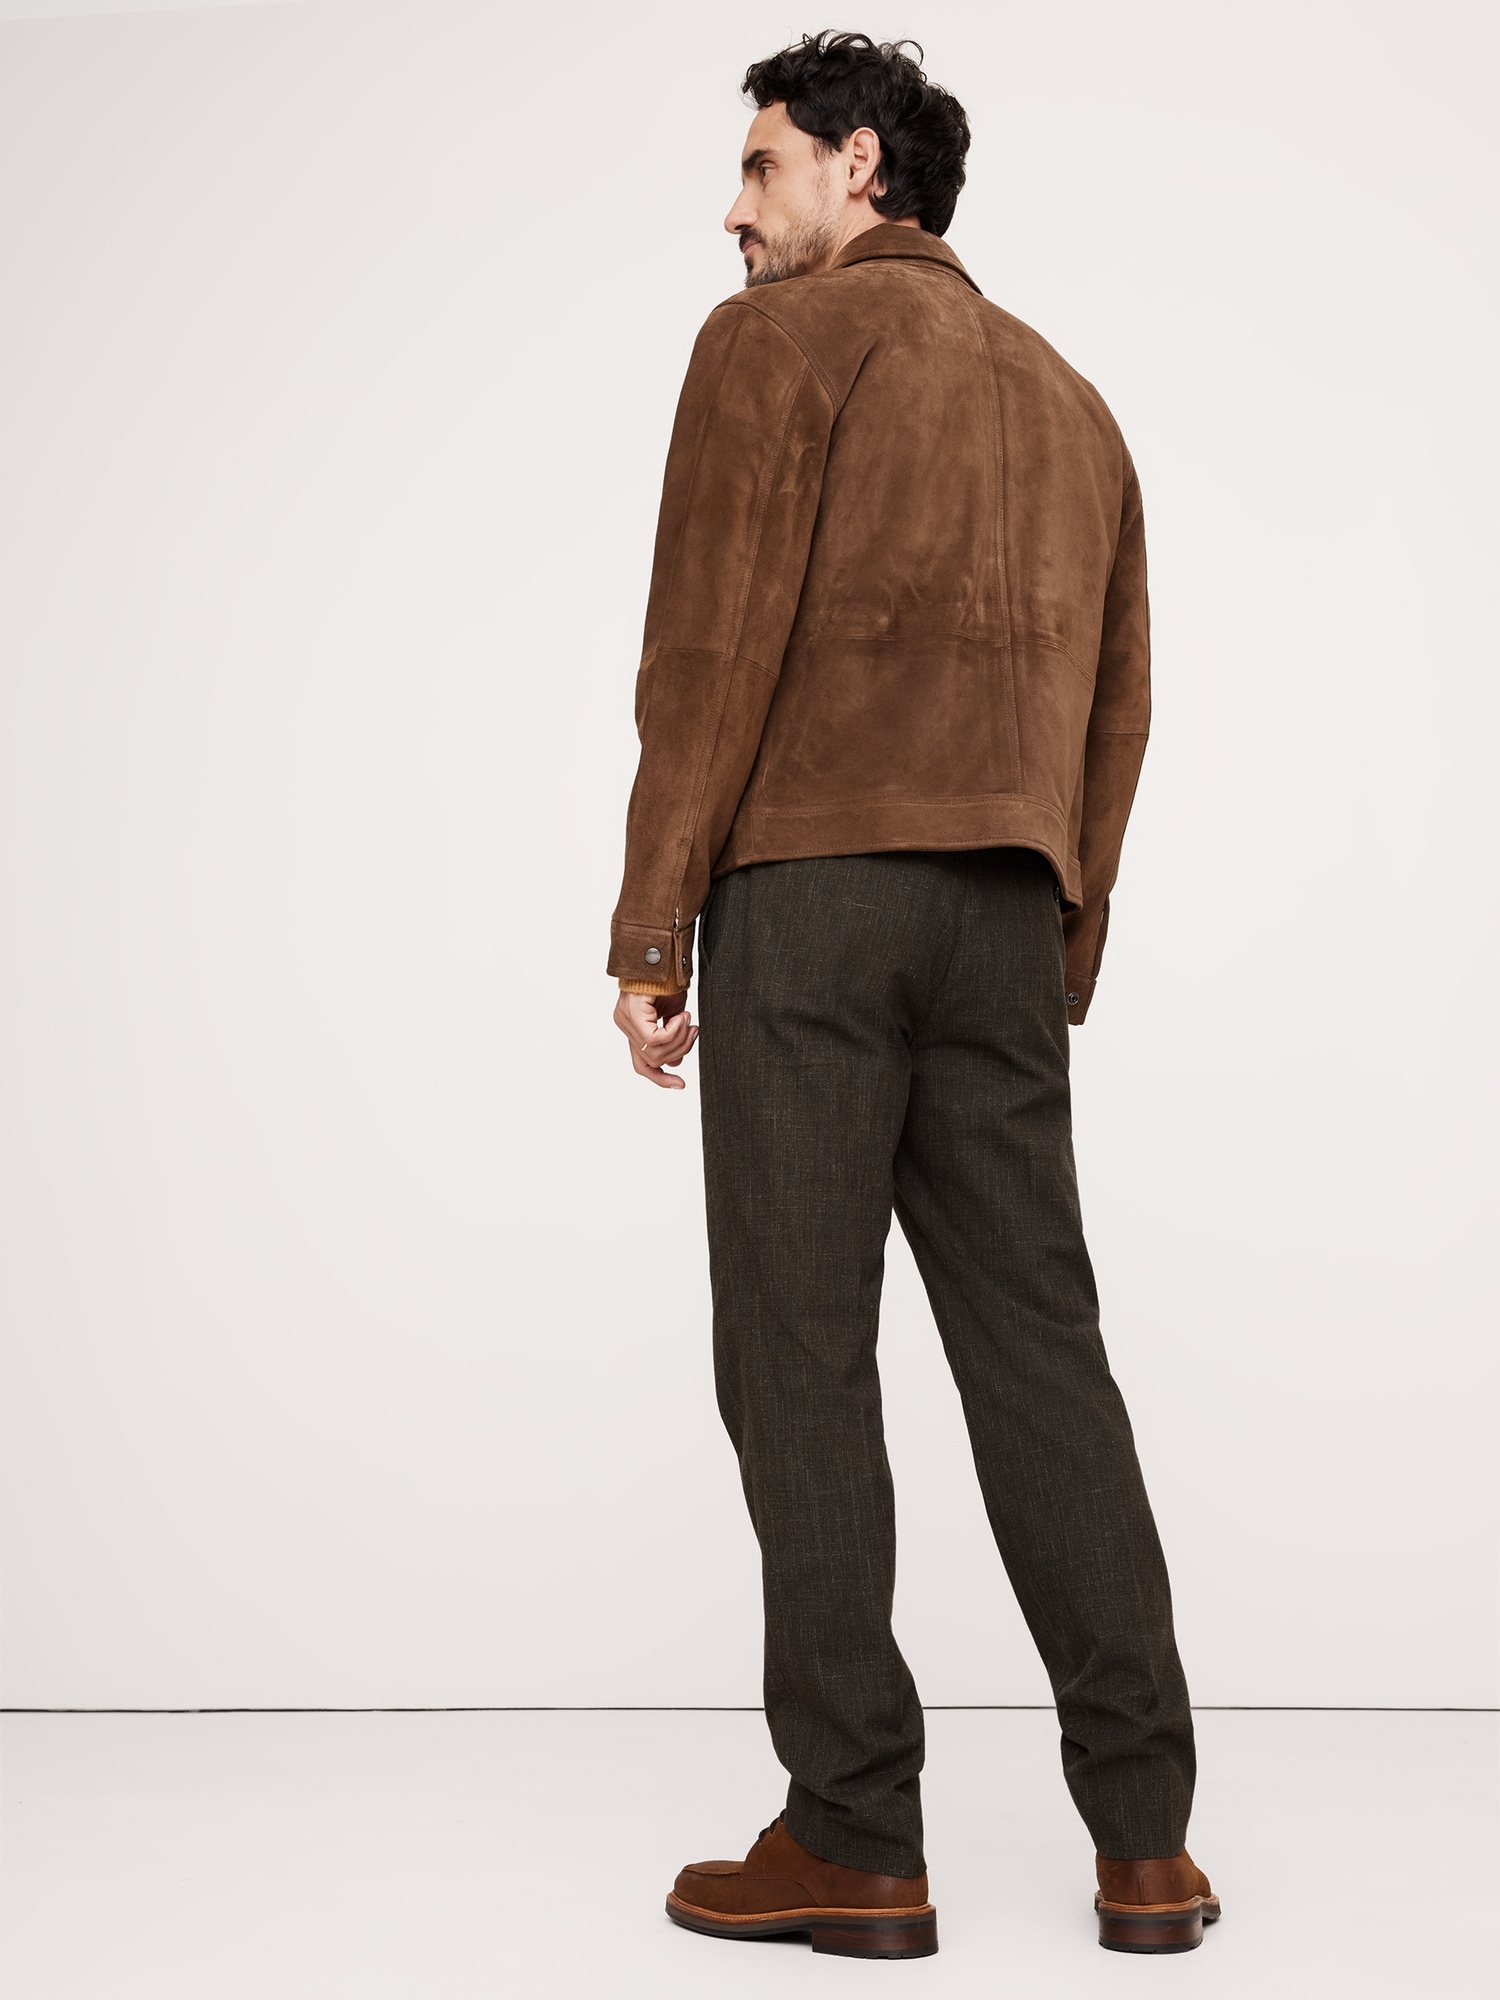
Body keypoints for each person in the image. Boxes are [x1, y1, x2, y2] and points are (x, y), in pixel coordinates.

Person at [608, 30, 1217, 1961]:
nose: (733, 208)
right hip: (1003, 915)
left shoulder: (774, 347)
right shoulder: (1072, 401)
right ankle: (1148, 1844)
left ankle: (856, 1835)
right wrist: (1063, 938)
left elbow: (706, 649)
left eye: (762, 166)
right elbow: (1120, 703)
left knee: (797, 1353)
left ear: (861, 166)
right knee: (1042, 1351)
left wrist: (652, 926)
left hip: (813, 899)